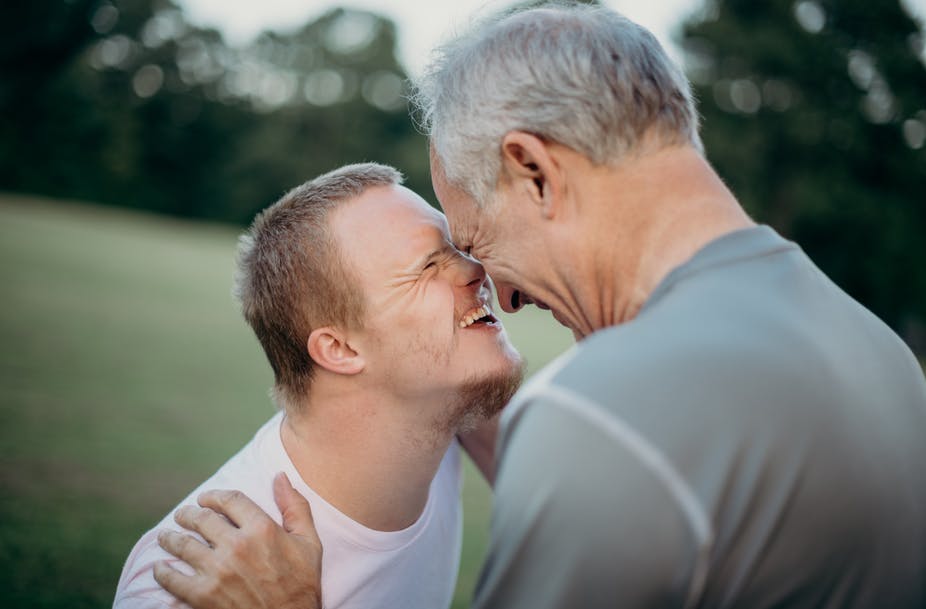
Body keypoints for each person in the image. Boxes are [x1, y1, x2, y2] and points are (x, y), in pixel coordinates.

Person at [154, 4, 926, 608]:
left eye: (476, 239)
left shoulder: (608, 415)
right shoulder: (878, 349)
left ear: (534, 172)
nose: (503, 291)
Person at [114, 162, 523, 608]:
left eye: (458, 247)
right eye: (428, 267)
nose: (476, 269)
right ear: (339, 349)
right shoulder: (195, 580)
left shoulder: (443, 407)